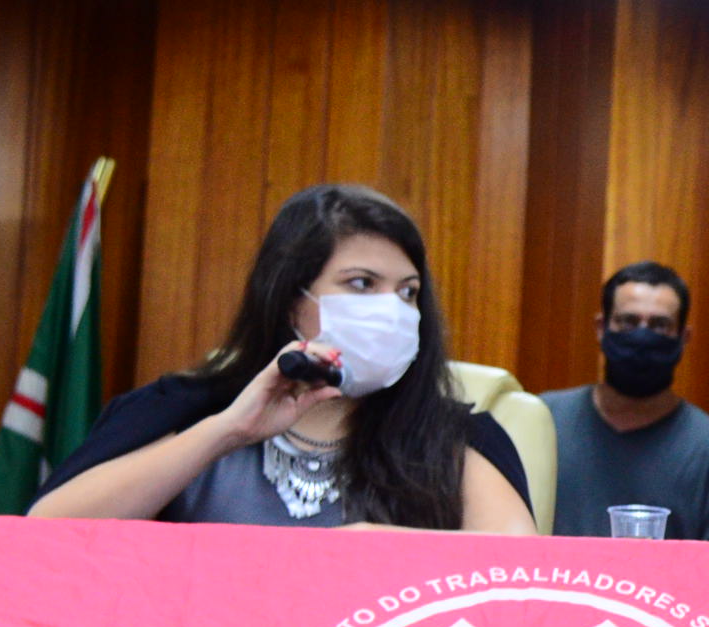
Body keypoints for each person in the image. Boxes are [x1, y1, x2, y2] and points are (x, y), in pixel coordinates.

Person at [34, 183, 536, 533]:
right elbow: (47, 531)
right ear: (292, 300)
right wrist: (228, 430)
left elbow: (518, 569)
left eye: (408, 292)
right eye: (362, 284)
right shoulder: (179, 409)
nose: (392, 310)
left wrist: (384, 545)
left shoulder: (456, 437)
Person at [538, 260, 709, 540]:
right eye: (628, 322)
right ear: (600, 328)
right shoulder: (541, 423)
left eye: (659, 325)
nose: (642, 336)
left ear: (684, 337)